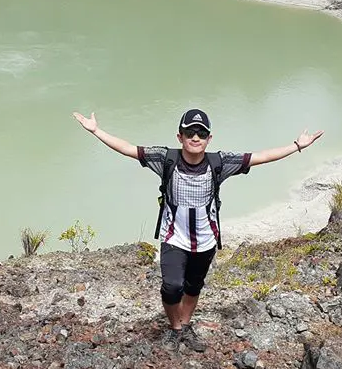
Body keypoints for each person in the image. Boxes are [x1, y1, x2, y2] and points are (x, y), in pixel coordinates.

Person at [72, 108, 323, 352]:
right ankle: (176, 328)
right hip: (173, 237)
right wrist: (96, 131)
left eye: (201, 134)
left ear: (209, 138)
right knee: (171, 286)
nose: (195, 138)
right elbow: (128, 149)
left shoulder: (219, 163)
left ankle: (185, 325)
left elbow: (260, 157)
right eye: (189, 132)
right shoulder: (165, 159)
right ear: (179, 136)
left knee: (193, 286)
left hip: (205, 240)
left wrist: (297, 145)